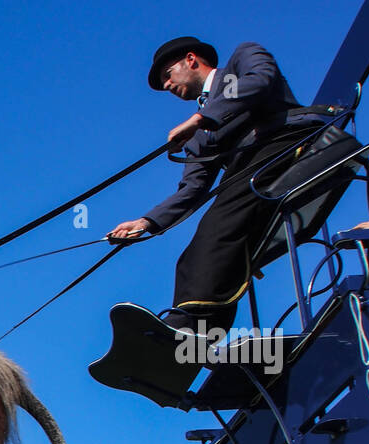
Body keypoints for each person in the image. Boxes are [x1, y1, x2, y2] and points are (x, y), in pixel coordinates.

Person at [110, 37, 330, 337]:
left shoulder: (242, 59)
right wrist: (146, 222)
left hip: (287, 143)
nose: (166, 86)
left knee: (218, 228)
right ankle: (198, 336)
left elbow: (260, 80)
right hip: (250, 176)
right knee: (203, 248)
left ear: (191, 59)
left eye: (167, 75)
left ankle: (185, 328)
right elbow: (192, 189)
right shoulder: (198, 139)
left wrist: (201, 118)